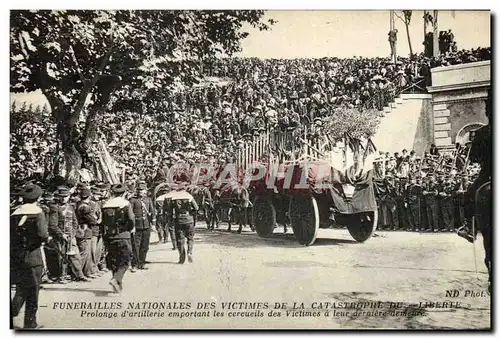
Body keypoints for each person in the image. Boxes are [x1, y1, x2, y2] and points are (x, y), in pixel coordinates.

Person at [11, 184, 49, 329]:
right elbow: (42, 234)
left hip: (16, 256)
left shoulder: (13, 213)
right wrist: (48, 239)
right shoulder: (38, 213)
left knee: (21, 287)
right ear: (38, 198)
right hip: (33, 255)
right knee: (33, 290)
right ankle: (30, 323)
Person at [457, 89, 492, 243]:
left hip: (489, 174)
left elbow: (475, 157)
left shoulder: (482, 132)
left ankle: (469, 228)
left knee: (470, 194)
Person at [101, 183, 135, 293]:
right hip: (123, 235)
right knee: (125, 259)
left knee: (114, 260)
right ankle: (116, 279)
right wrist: (130, 229)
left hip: (109, 236)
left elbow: (103, 222)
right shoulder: (125, 204)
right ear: (124, 193)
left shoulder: (106, 204)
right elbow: (131, 219)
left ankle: (118, 286)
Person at [168, 187, 199, 264]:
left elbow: (170, 210)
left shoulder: (174, 197)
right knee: (190, 238)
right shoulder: (189, 196)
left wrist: (171, 219)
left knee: (180, 240)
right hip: (189, 219)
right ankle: (190, 252)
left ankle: (182, 259)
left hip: (179, 220)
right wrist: (190, 212)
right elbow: (196, 208)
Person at [129, 182, 156, 271]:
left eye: (143, 190)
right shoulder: (133, 200)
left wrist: (153, 224)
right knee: (136, 246)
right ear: (137, 191)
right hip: (136, 226)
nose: (142, 192)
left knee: (145, 246)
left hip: (146, 225)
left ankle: (142, 262)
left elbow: (152, 212)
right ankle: (135, 264)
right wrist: (132, 225)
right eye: (140, 190)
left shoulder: (148, 200)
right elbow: (130, 213)